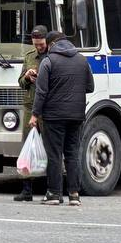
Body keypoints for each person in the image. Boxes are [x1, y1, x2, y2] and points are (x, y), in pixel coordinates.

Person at [30, 30, 94, 206]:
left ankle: (54, 193)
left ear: (51, 44)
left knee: (55, 155)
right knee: (72, 154)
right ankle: (74, 195)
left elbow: (41, 92)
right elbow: (90, 87)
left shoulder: (48, 61)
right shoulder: (82, 60)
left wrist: (35, 114)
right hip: (76, 115)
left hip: (53, 116)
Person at [14, 25, 49, 202]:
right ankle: (26, 190)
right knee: (27, 149)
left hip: (48, 109)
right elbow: (20, 82)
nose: (38, 47)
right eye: (36, 44)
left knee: (50, 149)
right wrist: (27, 77)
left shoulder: (53, 57)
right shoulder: (29, 57)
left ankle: (51, 189)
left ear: (47, 41)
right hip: (30, 107)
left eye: (41, 44)